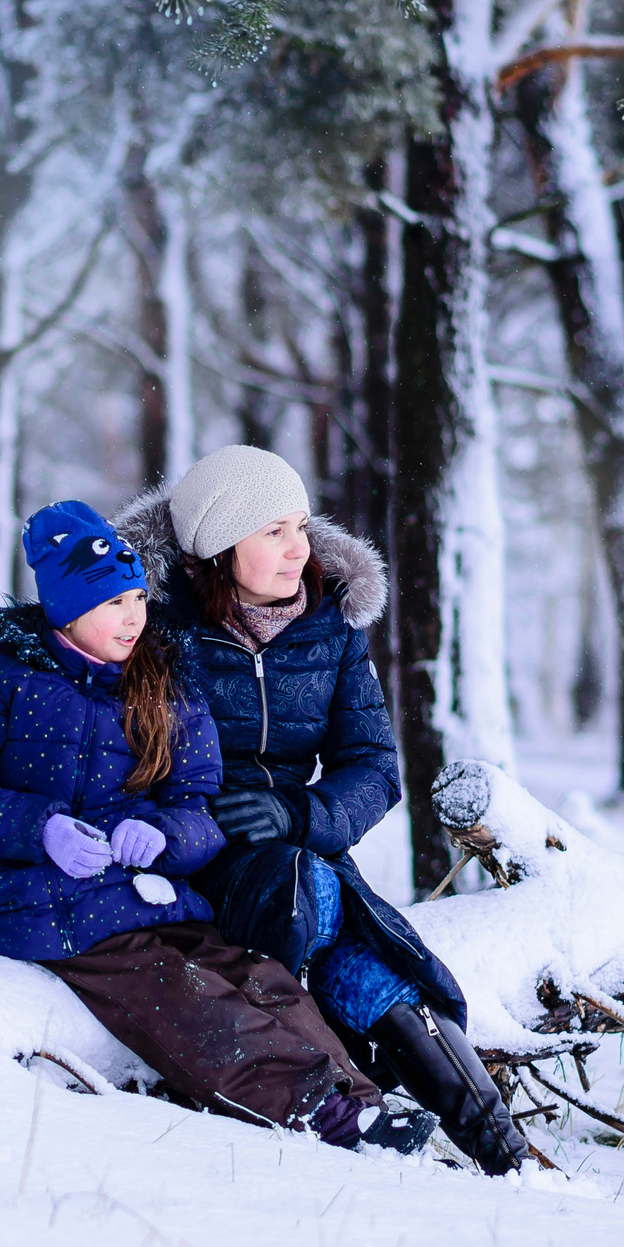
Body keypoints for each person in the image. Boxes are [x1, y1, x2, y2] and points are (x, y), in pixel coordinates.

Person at [0, 500, 433, 1154]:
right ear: (65, 610)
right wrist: (40, 828)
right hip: (49, 908)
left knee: (258, 976)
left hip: (155, 899)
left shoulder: (164, 677)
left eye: (138, 596)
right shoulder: (6, 679)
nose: (134, 615)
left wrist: (164, 834)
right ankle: (322, 1116)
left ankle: (360, 1100)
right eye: (113, 603)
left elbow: (200, 803)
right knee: (189, 999)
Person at [116, 447, 531, 1175]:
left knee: (354, 935)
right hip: (197, 858)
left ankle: (503, 1153)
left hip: (302, 851)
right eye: (273, 530)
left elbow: (374, 768)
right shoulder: (154, 628)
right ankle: (378, 1108)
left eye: (301, 526)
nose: (298, 547)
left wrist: (297, 812)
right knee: (315, 898)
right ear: (219, 544)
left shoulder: (331, 624)